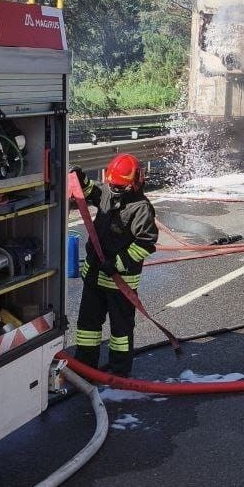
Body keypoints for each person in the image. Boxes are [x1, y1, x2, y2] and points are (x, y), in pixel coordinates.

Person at [72, 154, 158, 376]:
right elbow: (93, 192)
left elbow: (146, 244)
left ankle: (119, 375)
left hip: (120, 283)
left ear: (135, 182)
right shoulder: (109, 190)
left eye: (121, 187)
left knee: (120, 333)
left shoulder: (141, 208)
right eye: (114, 185)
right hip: (93, 277)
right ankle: (84, 369)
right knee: (87, 328)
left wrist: (118, 263)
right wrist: (81, 180)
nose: (116, 190)